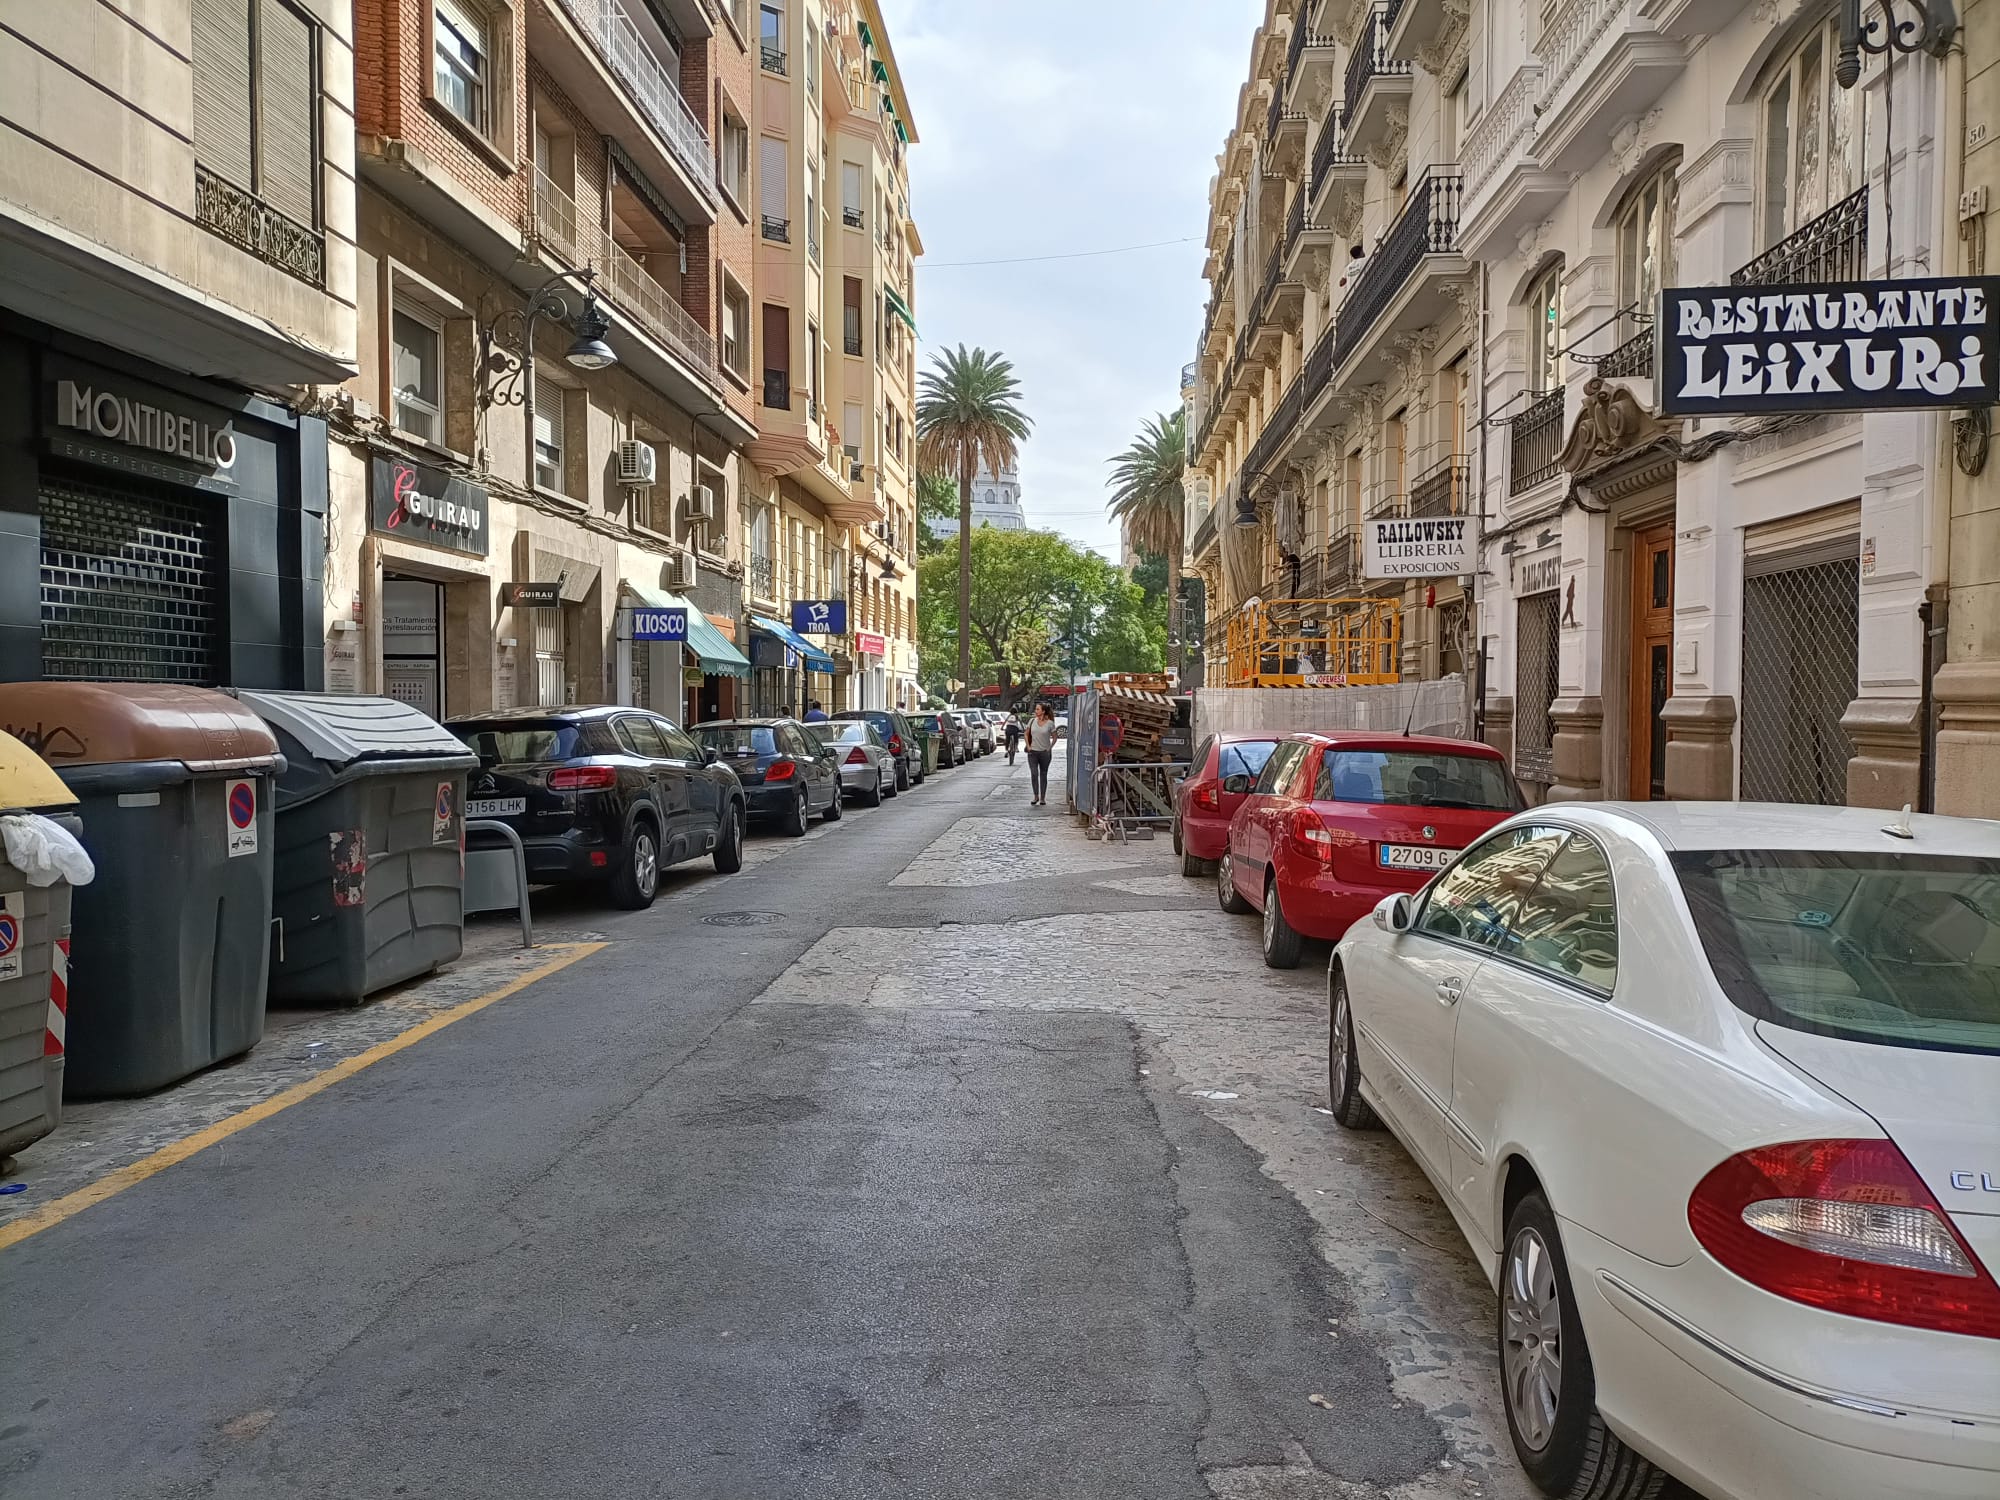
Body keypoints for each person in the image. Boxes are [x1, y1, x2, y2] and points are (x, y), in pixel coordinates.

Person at [1024, 704, 1057, 806]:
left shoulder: (1050, 724)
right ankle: (1035, 796)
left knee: (1043, 774)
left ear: (1043, 711)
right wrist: (1028, 745)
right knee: (1034, 773)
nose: (1036, 711)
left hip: (1044, 753)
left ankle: (1042, 797)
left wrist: (1050, 747)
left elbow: (1055, 737)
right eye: (1036, 709)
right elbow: (1026, 733)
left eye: (1038, 709)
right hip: (1033, 752)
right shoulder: (1032, 721)